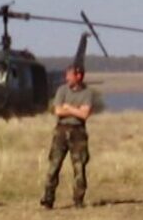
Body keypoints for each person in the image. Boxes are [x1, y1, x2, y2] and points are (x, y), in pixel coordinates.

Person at [42, 64, 103, 208]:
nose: (67, 78)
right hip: (61, 131)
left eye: (70, 75)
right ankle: (48, 199)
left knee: (79, 167)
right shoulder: (62, 90)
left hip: (78, 132)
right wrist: (76, 110)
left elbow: (84, 114)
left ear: (79, 76)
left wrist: (68, 107)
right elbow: (58, 111)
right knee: (54, 166)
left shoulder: (87, 93)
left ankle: (78, 200)